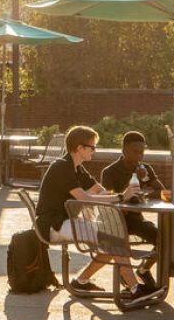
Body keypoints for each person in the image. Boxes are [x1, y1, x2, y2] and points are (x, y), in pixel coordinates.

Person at [35, 125, 156, 300]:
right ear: (80, 148)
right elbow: (85, 197)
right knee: (114, 238)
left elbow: (101, 191)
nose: (95, 150)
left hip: (66, 221)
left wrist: (125, 192)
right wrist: (122, 196)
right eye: (92, 147)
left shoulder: (77, 167)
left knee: (113, 237)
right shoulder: (61, 167)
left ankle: (82, 281)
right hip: (53, 225)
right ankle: (135, 288)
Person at [100, 131, 163, 286]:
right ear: (124, 150)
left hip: (136, 219)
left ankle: (143, 269)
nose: (139, 156)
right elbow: (110, 201)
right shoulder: (110, 172)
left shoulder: (145, 168)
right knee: (119, 242)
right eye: (135, 152)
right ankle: (125, 277)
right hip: (116, 221)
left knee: (163, 239)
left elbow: (161, 191)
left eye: (142, 152)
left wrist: (146, 187)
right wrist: (132, 182)